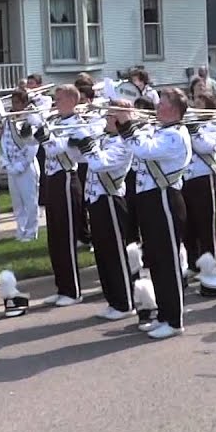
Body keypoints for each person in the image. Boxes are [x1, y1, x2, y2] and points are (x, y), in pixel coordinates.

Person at [120, 87, 193, 339]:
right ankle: (163, 314)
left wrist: (128, 123)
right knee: (156, 260)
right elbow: (137, 148)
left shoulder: (175, 134)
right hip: (150, 200)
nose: (156, 107)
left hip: (165, 199)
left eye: (161, 103)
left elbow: (144, 150)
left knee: (168, 262)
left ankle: (174, 320)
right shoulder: (160, 130)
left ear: (172, 108)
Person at [34, 85, 95, 305]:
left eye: (59, 99)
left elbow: (57, 148)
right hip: (52, 179)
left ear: (71, 100)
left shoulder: (78, 125)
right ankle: (62, 287)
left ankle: (73, 291)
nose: (55, 102)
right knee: (55, 238)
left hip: (68, 179)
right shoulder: (56, 121)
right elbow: (35, 141)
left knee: (67, 237)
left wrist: (45, 135)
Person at [78, 101, 135, 318]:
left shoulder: (123, 143)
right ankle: (113, 300)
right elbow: (81, 159)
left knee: (114, 253)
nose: (106, 119)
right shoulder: (104, 138)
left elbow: (101, 163)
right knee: (102, 254)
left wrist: (86, 144)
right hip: (96, 199)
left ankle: (125, 303)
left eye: (111, 116)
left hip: (111, 199)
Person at [181, 95, 216, 278]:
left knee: (206, 226)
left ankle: (210, 267)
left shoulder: (214, 125)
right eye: (194, 103)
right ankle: (193, 263)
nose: (194, 107)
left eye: (199, 104)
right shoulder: (185, 126)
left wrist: (193, 128)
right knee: (188, 226)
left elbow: (206, 147)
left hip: (204, 178)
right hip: (186, 178)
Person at [0, 89, 40, 241]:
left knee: (30, 201)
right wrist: (6, 162)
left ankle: (31, 232)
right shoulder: (8, 120)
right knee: (17, 202)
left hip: (26, 167)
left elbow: (33, 145)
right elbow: (4, 140)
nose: (14, 105)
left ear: (24, 103)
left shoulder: (31, 120)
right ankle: (20, 228)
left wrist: (22, 165)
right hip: (12, 165)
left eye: (17, 102)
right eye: (13, 102)